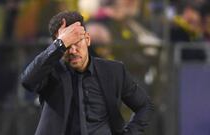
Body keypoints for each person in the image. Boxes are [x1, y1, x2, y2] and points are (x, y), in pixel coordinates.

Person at [21, 11, 154, 135]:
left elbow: (144, 106)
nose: (72, 50)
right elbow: (28, 81)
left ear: (88, 40)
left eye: (77, 41)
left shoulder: (113, 72)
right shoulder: (50, 72)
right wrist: (59, 43)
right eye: (67, 45)